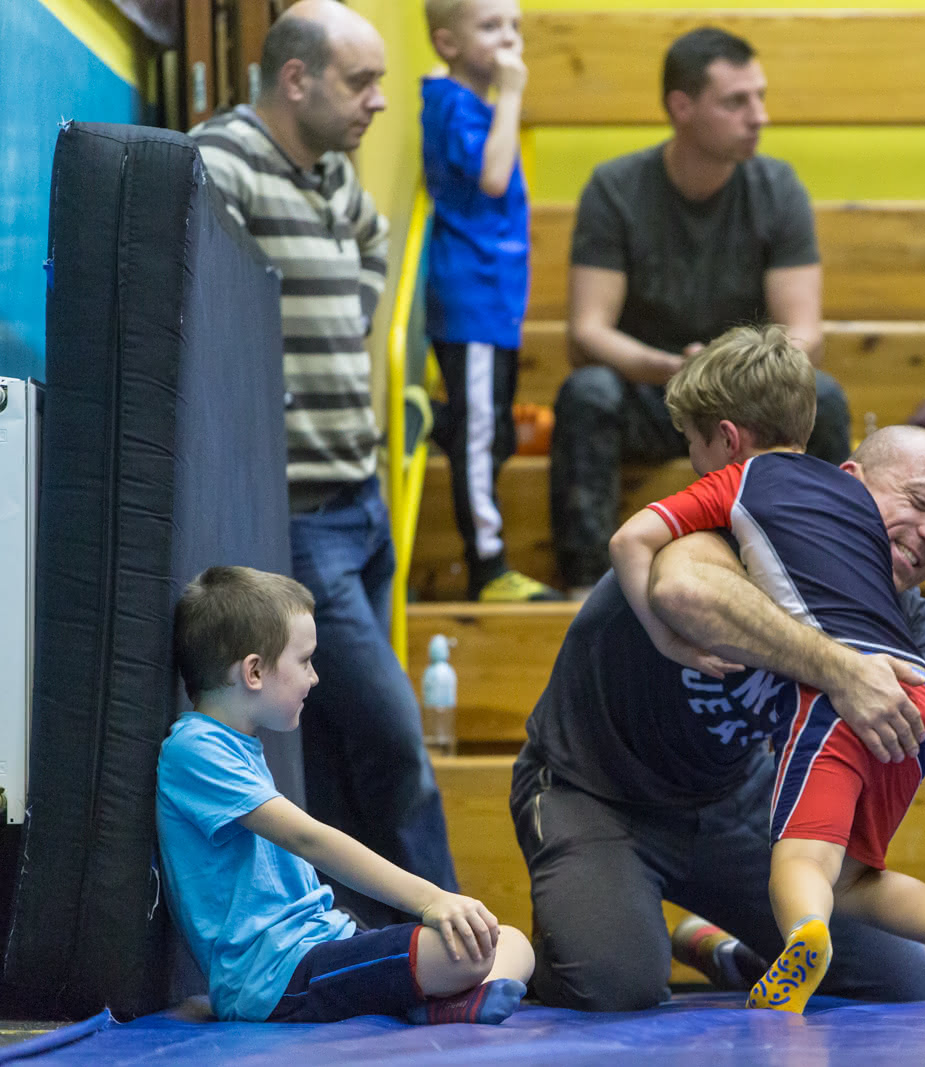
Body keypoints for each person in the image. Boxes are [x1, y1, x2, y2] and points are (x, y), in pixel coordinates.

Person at [510, 384, 925, 1014]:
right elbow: (685, 590)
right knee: (617, 984)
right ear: (847, 484)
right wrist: (839, 667)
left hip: (730, 797)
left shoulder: (895, 608)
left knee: (895, 979)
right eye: (921, 503)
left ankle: (731, 954)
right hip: (595, 790)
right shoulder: (753, 516)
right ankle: (568, 933)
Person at [191, 0, 459, 925]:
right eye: (362, 80)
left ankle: (372, 943)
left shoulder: (337, 178)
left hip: (362, 495)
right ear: (294, 78)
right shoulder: (218, 162)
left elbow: (376, 253)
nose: (381, 101)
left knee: (346, 750)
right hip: (295, 513)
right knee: (393, 738)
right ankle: (456, 927)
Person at [550, 25, 852, 598]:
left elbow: (805, 333)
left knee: (827, 397)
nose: (758, 115)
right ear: (681, 107)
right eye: (737, 101)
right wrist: (676, 369)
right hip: (654, 393)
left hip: (748, 399)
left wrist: (727, 372)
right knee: (587, 393)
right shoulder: (616, 188)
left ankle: (829, 578)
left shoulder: (777, 187)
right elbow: (588, 333)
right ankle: (584, 585)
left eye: (760, 96)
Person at [158, 566, 534, 1024]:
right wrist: (432, 898)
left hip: (326, 942)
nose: (314, 677)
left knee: (509, 940)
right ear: (254, 671)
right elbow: (309, 840)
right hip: (278, 976)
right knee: (470, 953)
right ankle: (445, 1000)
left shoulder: (237, 744)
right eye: (305, 661)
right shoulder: (194, 749)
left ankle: (445, 1002)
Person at [421, 0, 558, 602]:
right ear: (448, 43)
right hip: (470, 294)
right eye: (490, 27)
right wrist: (512, 94)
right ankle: (488, 565)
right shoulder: (452, 104)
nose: (508, 40)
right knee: (479, 436)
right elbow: (494, 177)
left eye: (515, 27)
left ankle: (433, 420)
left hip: (495, 300)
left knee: (493, 430)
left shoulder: (479, 105)